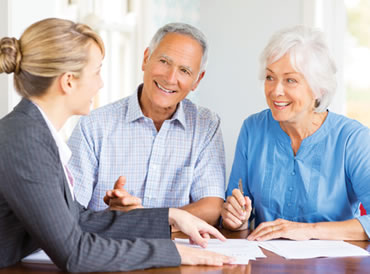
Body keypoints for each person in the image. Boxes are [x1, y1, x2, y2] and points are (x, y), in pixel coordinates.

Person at [0, 18, 234, 272]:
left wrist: (170, 215)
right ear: (68, 81)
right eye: (97, 72)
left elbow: (78, 219)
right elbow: (75, 253)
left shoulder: (33, 134)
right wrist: (172, 251)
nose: (100, 83)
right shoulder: (26, 141)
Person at [221, 25, 370, 241]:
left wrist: (307, 231)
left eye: (290, 80)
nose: (275, 90)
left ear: (319, 88)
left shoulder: (352, 139)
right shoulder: (252, 129)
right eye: (270, 77)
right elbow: (234, 213)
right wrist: (236, 219)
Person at [67, 22, 225, 226]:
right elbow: (68, 211)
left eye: (185, 71)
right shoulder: (94, 125)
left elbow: (211, 207)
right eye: (164, 61)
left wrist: (143, 221)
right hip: (109, 251)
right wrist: (112, 215)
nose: (170, 78)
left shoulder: (206, 125)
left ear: (197, 80)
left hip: (178, 254)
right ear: (145, 59)